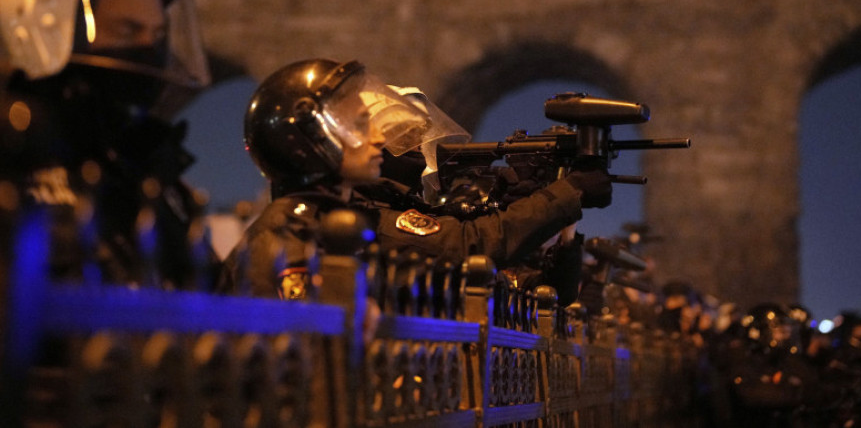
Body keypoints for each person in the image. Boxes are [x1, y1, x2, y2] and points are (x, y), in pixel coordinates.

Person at [217, 57, 613, 300]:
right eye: (359, 126)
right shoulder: (303, 229)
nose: (378, 140)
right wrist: (566, 194)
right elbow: (465, 244)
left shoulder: (327, 217)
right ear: (313, 137)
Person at [0, 0, 212, 287]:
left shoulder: (148, 170)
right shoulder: (14, 151)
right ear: (46, 25)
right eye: (127, 30)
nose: (148, 48)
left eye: (157, 35)